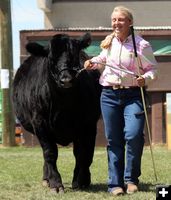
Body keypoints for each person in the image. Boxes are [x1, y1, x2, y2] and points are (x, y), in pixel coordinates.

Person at [84, 6, 158, 196]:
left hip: (133, 95)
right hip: (108, 95)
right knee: (113, 140)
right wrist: (93, 62)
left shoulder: (142, 45)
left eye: (121, 20)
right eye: (114, 20)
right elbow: (102, 59)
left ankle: (131, 179)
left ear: (130, 22)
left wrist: (146, 79)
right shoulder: (108, 42)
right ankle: (114, 184)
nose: (116, 23)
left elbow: (153, 70)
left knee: (133, 136)